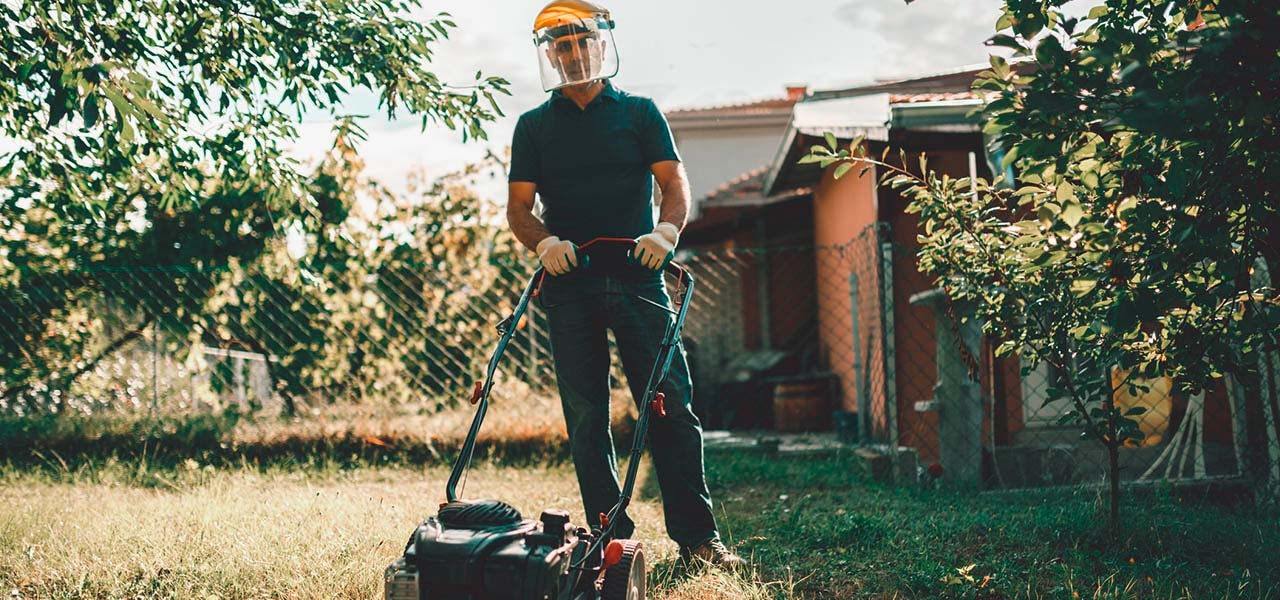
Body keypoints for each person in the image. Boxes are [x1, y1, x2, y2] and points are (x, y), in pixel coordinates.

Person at [505, 0, 744, 571]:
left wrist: (666, 231)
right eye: (561, 46)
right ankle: (610, 539)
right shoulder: (534, 126)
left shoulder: (639, 112)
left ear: (600, 46)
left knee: (671, 408)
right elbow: (519, 208)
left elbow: (673, 182)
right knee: (586, 416)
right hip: (570, 287)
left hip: (640, 281)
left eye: (581, 42)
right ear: (551, 56)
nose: (573, 53)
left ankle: (698, 541)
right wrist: (544, 243)